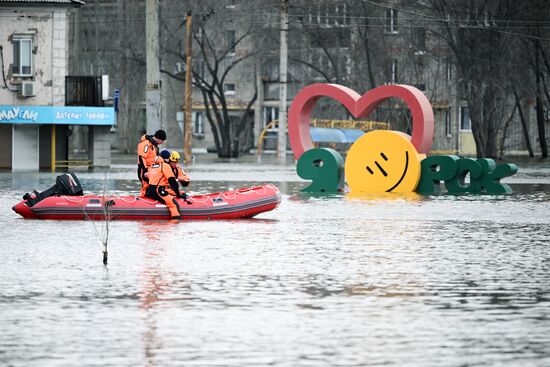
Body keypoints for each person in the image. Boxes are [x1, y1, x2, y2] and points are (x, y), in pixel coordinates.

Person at [145, 151, 187, 219]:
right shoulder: (165, 166)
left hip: (149, 190)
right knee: (174, 205)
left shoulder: (153, 166)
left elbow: (147, 177)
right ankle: (175, 223)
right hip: (158, 190)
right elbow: (172, 181)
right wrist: (178, 194)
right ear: (168, 159)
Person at [137, 130, 166, 197]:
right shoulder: (146, 144)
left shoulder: (154, 145)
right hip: (144, 169)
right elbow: (141, 157)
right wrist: (145, 171)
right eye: (162, 140)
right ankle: (143, 200)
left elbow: (154, 158)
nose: (162, 142)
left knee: (153, 186)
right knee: (146, 186)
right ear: (159, 139)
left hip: (152, 169)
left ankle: (153, 197)